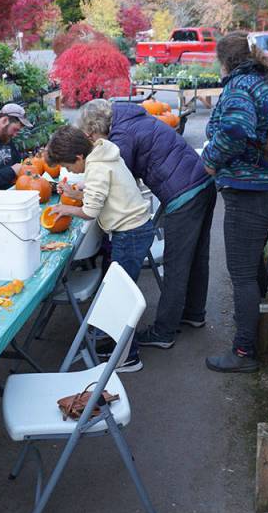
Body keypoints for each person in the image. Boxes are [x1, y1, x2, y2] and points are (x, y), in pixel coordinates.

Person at [74, 98, 215, 350]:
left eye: (90, 135)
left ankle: (164, 331)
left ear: (95, 128)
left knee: (176, 264)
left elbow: (116, 181)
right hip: (202, 181)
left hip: (183, 193)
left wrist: (83, 189)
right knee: (196, 256)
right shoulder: (131, 119)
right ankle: (194, 312)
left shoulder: (120, 136)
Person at [202, 31, 268, 373]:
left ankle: (243, 353)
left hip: (251, 193)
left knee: (240, 273)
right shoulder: (264, 84)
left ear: (225, 61)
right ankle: (255, 335)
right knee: (252, 264)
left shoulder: (239, 88)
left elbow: (237, 128)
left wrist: (211, 158)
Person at [47, 125, 153, 373]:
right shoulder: (103, 153)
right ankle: (118, 345)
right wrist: (77, 191)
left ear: (79, 157)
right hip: (137, 228)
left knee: (121, 298)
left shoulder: (96, 167)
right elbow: (102, 190)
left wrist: (65, 209)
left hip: (130, 234)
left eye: (69, 166)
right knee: (117, 292)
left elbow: (90, 212)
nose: (69, 171)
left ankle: (129, 356)